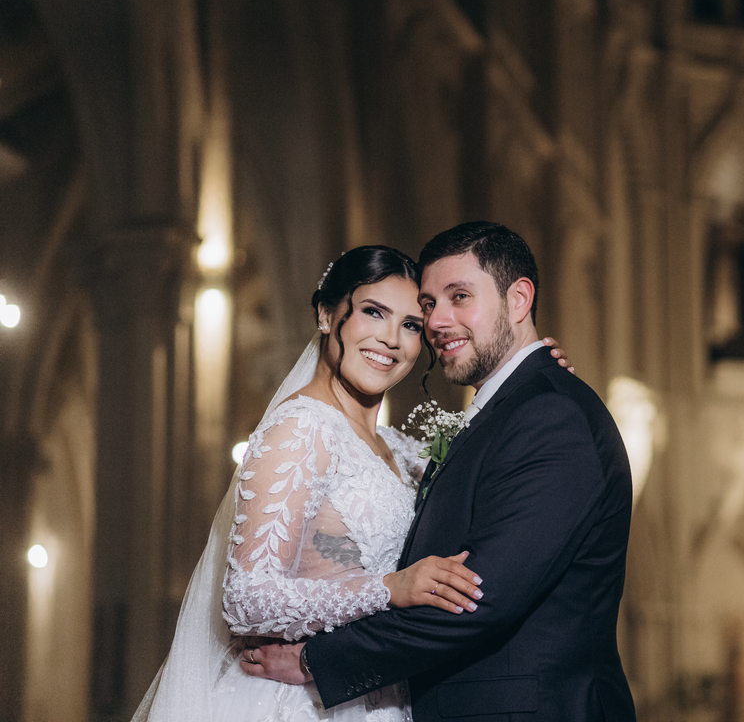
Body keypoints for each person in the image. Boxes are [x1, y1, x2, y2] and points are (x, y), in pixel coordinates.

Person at [132, 245, 573, 721]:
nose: (391, 339)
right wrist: (389, 589)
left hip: (382, 692)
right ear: (326, 314)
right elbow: (246, 599)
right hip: (299, 700)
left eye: (411, 325)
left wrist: (527, 382)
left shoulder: (402, 450)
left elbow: (481, 489)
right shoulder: (299, 430)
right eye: (373, 312)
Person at [245, 222, 638, 721]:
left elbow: (478, 598)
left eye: (459, 297)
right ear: (326, 315)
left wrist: (315, 661)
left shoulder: (549, 415)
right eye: (429, 305)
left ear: (518, 300)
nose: (436, 321)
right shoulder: (504, 414)